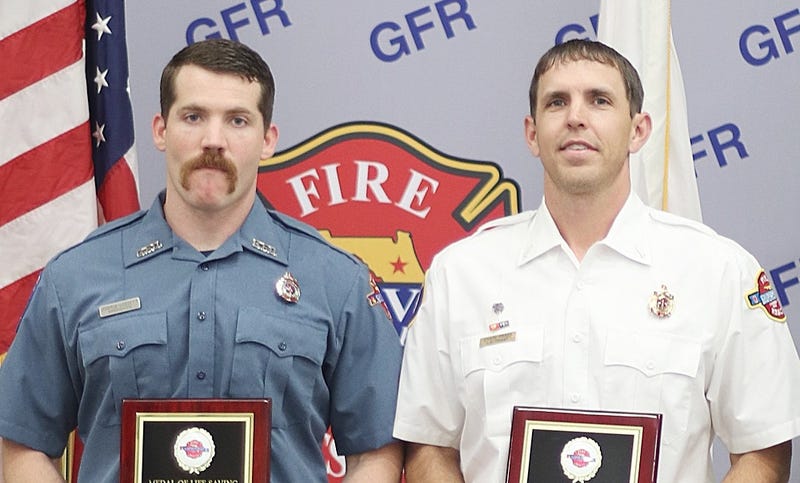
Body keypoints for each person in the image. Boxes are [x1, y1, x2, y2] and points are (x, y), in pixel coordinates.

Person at [392, 39, 800, 482]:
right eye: (557, 102)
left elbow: (763, 451)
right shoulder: (460, 274)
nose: (576, 117)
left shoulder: (717, 271)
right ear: (532, 133)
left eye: (599, 100)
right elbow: (428, 446)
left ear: (638, 130)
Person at [0, 38, 403, 482]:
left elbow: (377, 452)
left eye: (237, 120)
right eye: (193, 117)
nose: (214, 140)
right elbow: (22, 442)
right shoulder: (77, 276)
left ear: (267, 140)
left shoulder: (334, 280)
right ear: (160, 130)